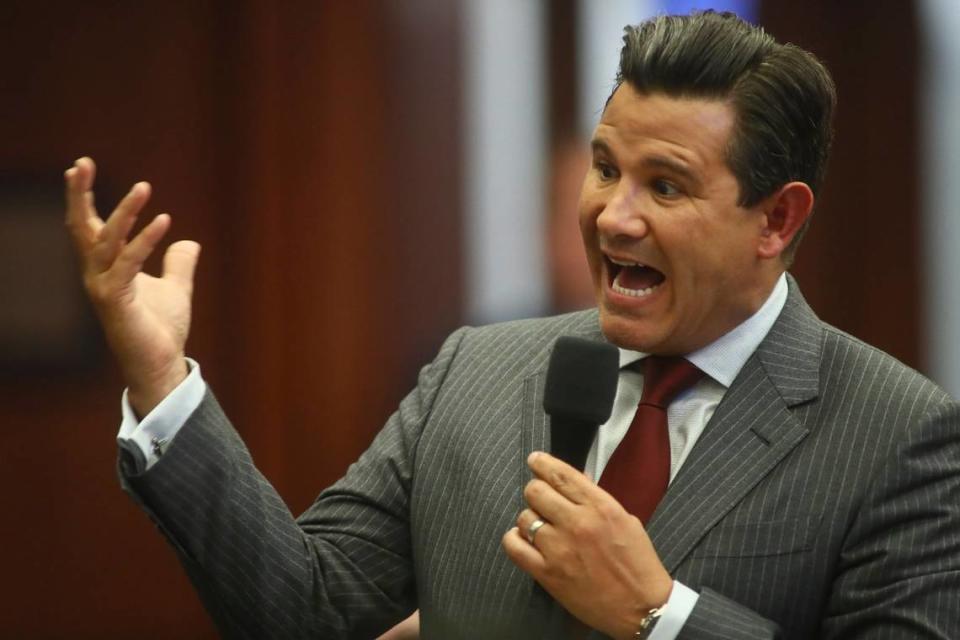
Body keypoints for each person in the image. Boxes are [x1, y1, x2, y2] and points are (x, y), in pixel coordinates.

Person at [66, 11, 960, 640]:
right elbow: (305, 607)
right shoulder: (477, 371)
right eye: (606, 168)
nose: (614, 216)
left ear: (777, 220)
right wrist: (162, 380)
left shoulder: (897, 432)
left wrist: (660, 616)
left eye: (668, 186)